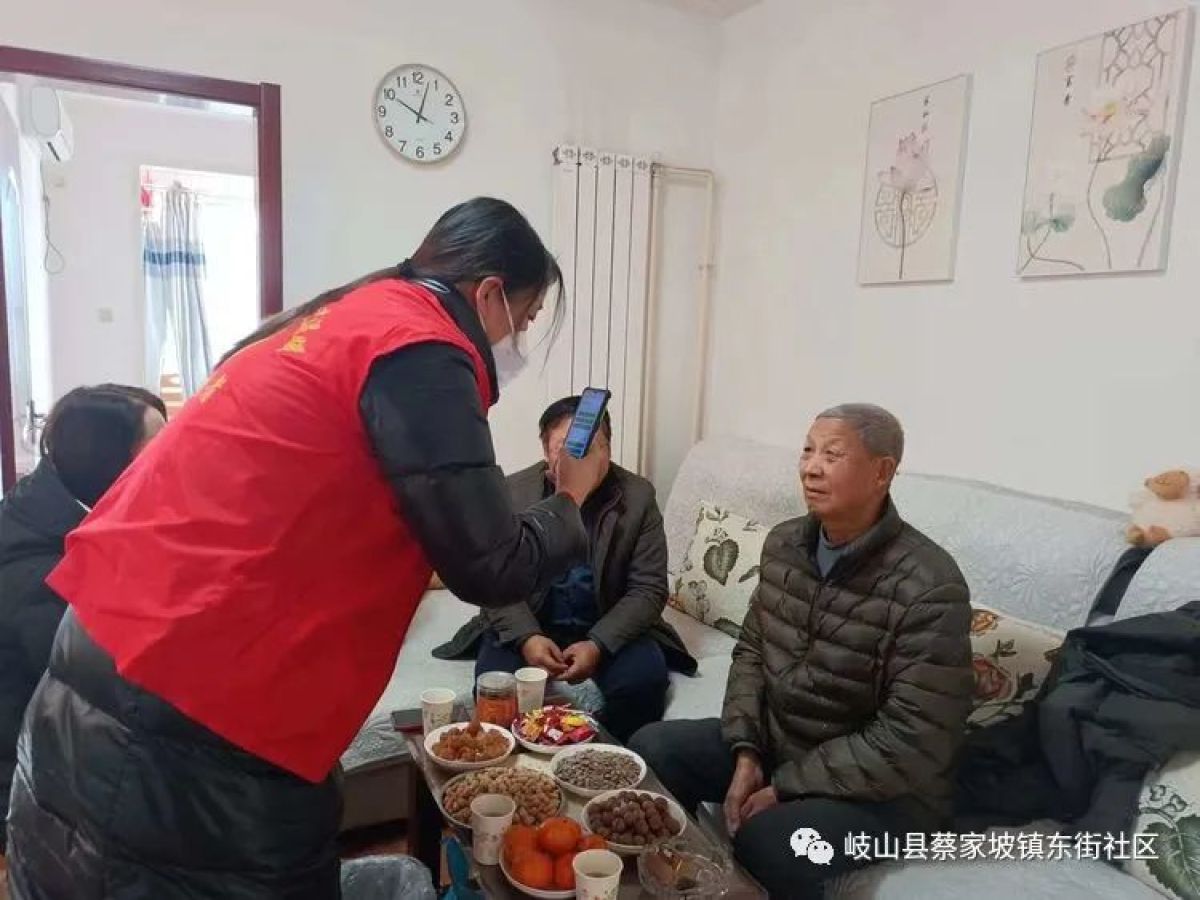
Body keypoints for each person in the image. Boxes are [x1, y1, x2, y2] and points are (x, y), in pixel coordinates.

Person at [6, 198, 610, 900]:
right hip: (193, 714)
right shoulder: (421, 346)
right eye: (526, 319)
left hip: (110, 659)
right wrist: (572, 497)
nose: (520, 341)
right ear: (489, 294)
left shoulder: (339, 318)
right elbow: (491, 563)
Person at [630, 404, 973, 899]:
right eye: (808, 451)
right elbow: (752, 649)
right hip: (783, 741)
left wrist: (787, 786)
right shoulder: (786, 543)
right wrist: (746, 751)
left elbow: (913, 738)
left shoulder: (930, 585)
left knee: (772, 844)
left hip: (885, 792)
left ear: (882, 472)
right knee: (651, 752)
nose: (811, 468)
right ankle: (680, 884)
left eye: (832, 455)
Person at [434, 395, 697, 741]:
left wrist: (598, 644)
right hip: (531, 619)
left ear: (608, 449)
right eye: (567, 448)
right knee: (497, 688)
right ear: (546, 452)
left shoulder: (638, 497)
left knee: (643, 684)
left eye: (593, 446)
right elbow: (493, 580)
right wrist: (528, 637)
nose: (581, 459)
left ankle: (602, 759)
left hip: (607, 621)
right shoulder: (512, 493)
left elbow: (648, 589)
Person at [0, 384, 166, 852]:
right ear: (111, 466)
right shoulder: (37, 569)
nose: (174, 460)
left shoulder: (50, 510)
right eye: (158, 448)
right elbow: (113, 688)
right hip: (29, 788)